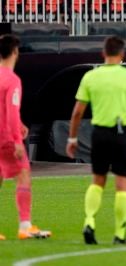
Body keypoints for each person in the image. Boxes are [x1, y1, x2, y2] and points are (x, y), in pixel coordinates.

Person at [66, 36, 126, 245]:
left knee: (98, 181)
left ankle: (89, 221)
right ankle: (119, 234)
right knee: (122, 183)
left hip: (99, 133)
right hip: (121, 132)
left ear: (103, 53)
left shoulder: (91, 76)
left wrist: (72, 138)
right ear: (122, 53)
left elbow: (77, 112)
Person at [0, 34, 51, 240]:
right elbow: (11, 111)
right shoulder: (12, 79)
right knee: (23, 175)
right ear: (15, 52)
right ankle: (25, 226)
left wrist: (19, 125)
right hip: (6, 138)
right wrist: (15, 140)